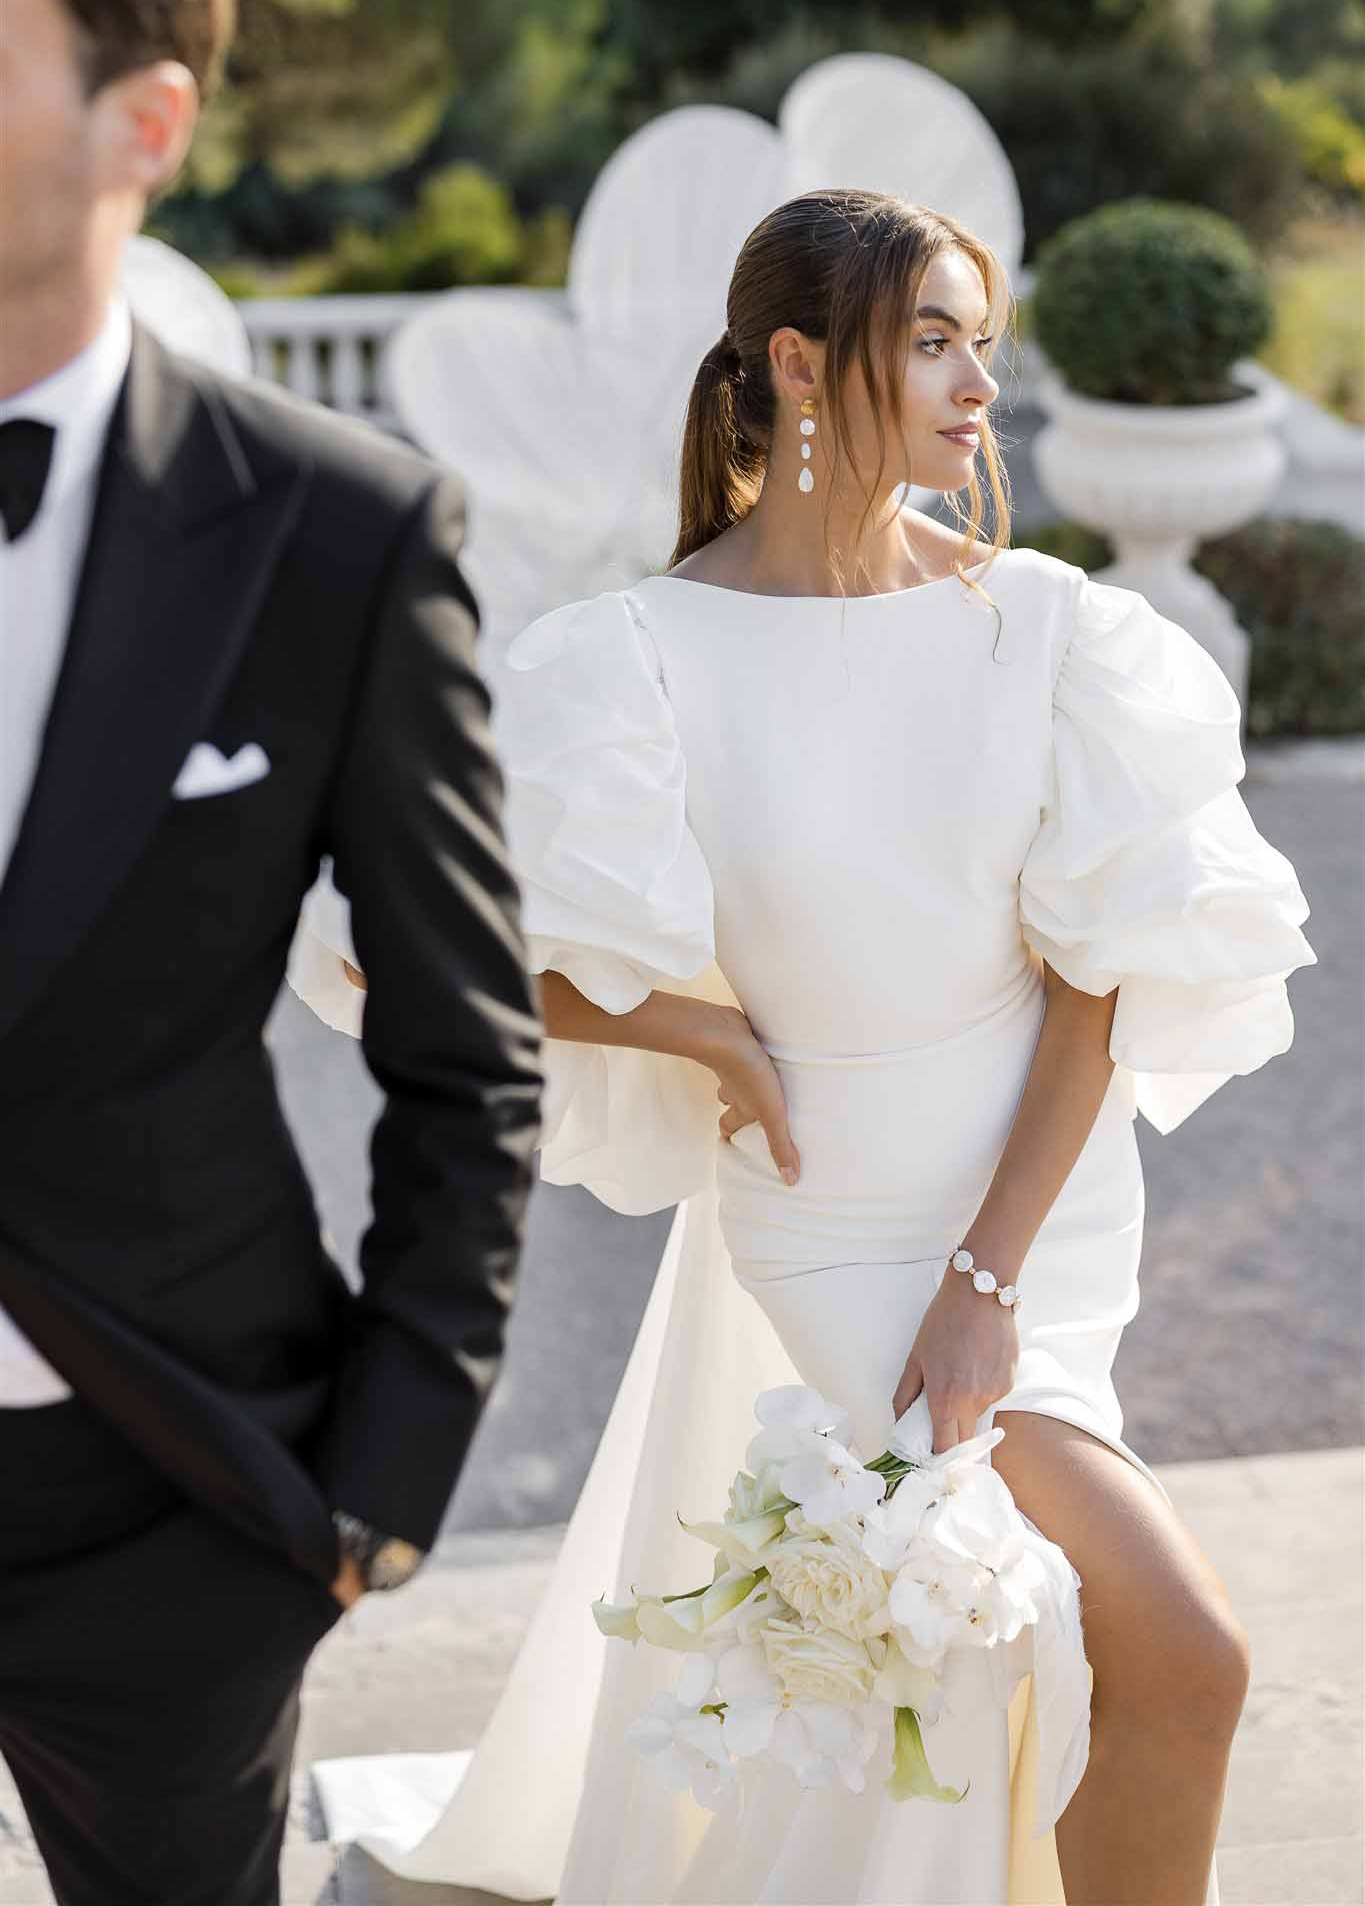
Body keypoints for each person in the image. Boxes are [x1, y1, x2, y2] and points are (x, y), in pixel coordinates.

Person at [294, 191, 1315, 1902]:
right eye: (933, 341)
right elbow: (401, 958)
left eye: (980, 343)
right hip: (830, 1231)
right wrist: (692, 1028)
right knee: (1123, 1646)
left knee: (1109, 1654)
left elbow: (1097, 981)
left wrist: (988, 1285)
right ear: (795, 361)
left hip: (1031, 1233)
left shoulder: (1048, 629)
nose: (981, 387)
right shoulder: (635, 660)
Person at [0, 0, 543, 1903]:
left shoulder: (338, 536)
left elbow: (465, 1050)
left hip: (171, 1500)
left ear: (142, 124)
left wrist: (376, 1485)